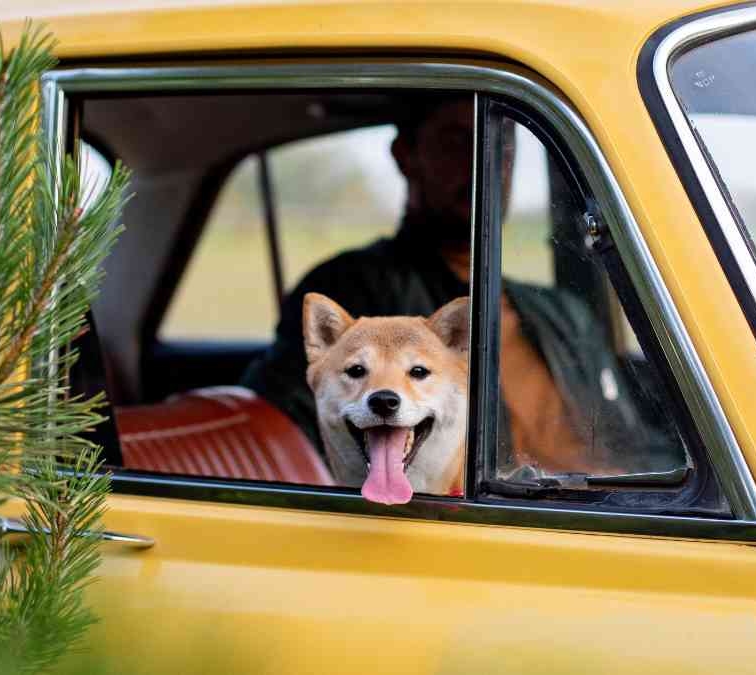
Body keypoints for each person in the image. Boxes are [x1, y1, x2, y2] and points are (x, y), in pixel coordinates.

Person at [240, 95, 663, 479]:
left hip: (605, 510)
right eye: (456, 142)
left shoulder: (565, 313)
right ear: (407, 156)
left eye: (501, 142)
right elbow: (293, 423)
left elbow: (632, 443)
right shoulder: (351, 289)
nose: (483, 161)